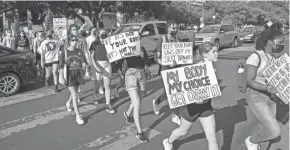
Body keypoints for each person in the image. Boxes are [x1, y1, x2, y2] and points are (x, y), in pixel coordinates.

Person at [163, 42, 219, 150]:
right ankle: (168, 141)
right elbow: (184, 86)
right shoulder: (195, 68)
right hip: (191, 108)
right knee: (182, 131)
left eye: (217, 51)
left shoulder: (212, 68)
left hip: (206, 107)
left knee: (212, 137)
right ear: (205, 54)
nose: (217, 54)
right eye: (214, 52)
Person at [244, 28, 284, 150]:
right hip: (256, 95)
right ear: (270, 41)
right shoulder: (255, 56)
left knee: (266, 127)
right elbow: (249, 81)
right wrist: (266, 87)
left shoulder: (273, 58)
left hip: (271, 97)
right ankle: (251, 141)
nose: (281, 44)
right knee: (274, 130)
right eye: (279, 41)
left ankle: (256, 145)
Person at [115, 45, 151, 142]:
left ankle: (127, 113)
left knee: (140, 96)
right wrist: (119, 70)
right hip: (130, 74)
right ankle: (139, 132)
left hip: (141, 73)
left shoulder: (141, 47)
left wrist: (143, 57)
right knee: (137, 103)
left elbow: (146, 61)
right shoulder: (125, 47)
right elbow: (117, 61)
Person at [153, 20, 182, 125]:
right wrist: (166, 63)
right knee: (168, 93)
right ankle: (157, 102)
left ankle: (175, 114)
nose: (175, 30)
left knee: (176, 92)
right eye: (173, 28)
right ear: (168, 28)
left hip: (177, 69)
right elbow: (157, 58)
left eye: (176, 28)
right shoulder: (162, 40)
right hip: (166, 70)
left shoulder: (178, 40)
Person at [60, 36, 87, 125]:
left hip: (78, 75)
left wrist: (84, 66)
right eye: (73, 40)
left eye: (76, 40)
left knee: (74, 92)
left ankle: (68, 103)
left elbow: (83, 61)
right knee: (75, 94)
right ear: (69, 42)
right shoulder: (65, 52)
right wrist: (61, 77)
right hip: (69, 76)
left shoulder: (79, 51)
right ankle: (78, 115)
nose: (75, 42)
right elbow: (61, 66)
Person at [89, 29, 115, 114]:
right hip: (98, 64)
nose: (103, 34)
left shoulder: (109, 43)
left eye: (104, 32)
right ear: (98, 34)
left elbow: (114, 53)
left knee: (107, 86)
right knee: (97, 83)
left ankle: (108, 104)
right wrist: (95, 66)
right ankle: (94, 94)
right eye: (101, 33)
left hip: (107, 64)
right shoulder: (94, 43)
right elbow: (92, 57)